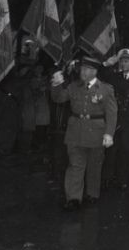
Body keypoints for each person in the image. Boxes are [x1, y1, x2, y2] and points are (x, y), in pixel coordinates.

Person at [50, 56, 117, 210]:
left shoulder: (106, 89)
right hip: (75, 131)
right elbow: (58, 98)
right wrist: (56, 84)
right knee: (75, 165)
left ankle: (92, 193)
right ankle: (73, 198)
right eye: (82, 68)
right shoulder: (73, 86)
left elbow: (112, 113)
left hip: (96, 133)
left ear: (95, 71)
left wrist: (109, 134)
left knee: (94, 166)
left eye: (87, 69)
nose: (83, 72)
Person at [100, 48, 129, 189]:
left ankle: (123, 180)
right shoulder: (115, 77)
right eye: (121, 61)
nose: (123, 63)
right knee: (111, 150)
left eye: (126, 61)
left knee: (127, 150)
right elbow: (101, 76)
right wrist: (106, 64)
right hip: (115, 119)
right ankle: (108, 178)